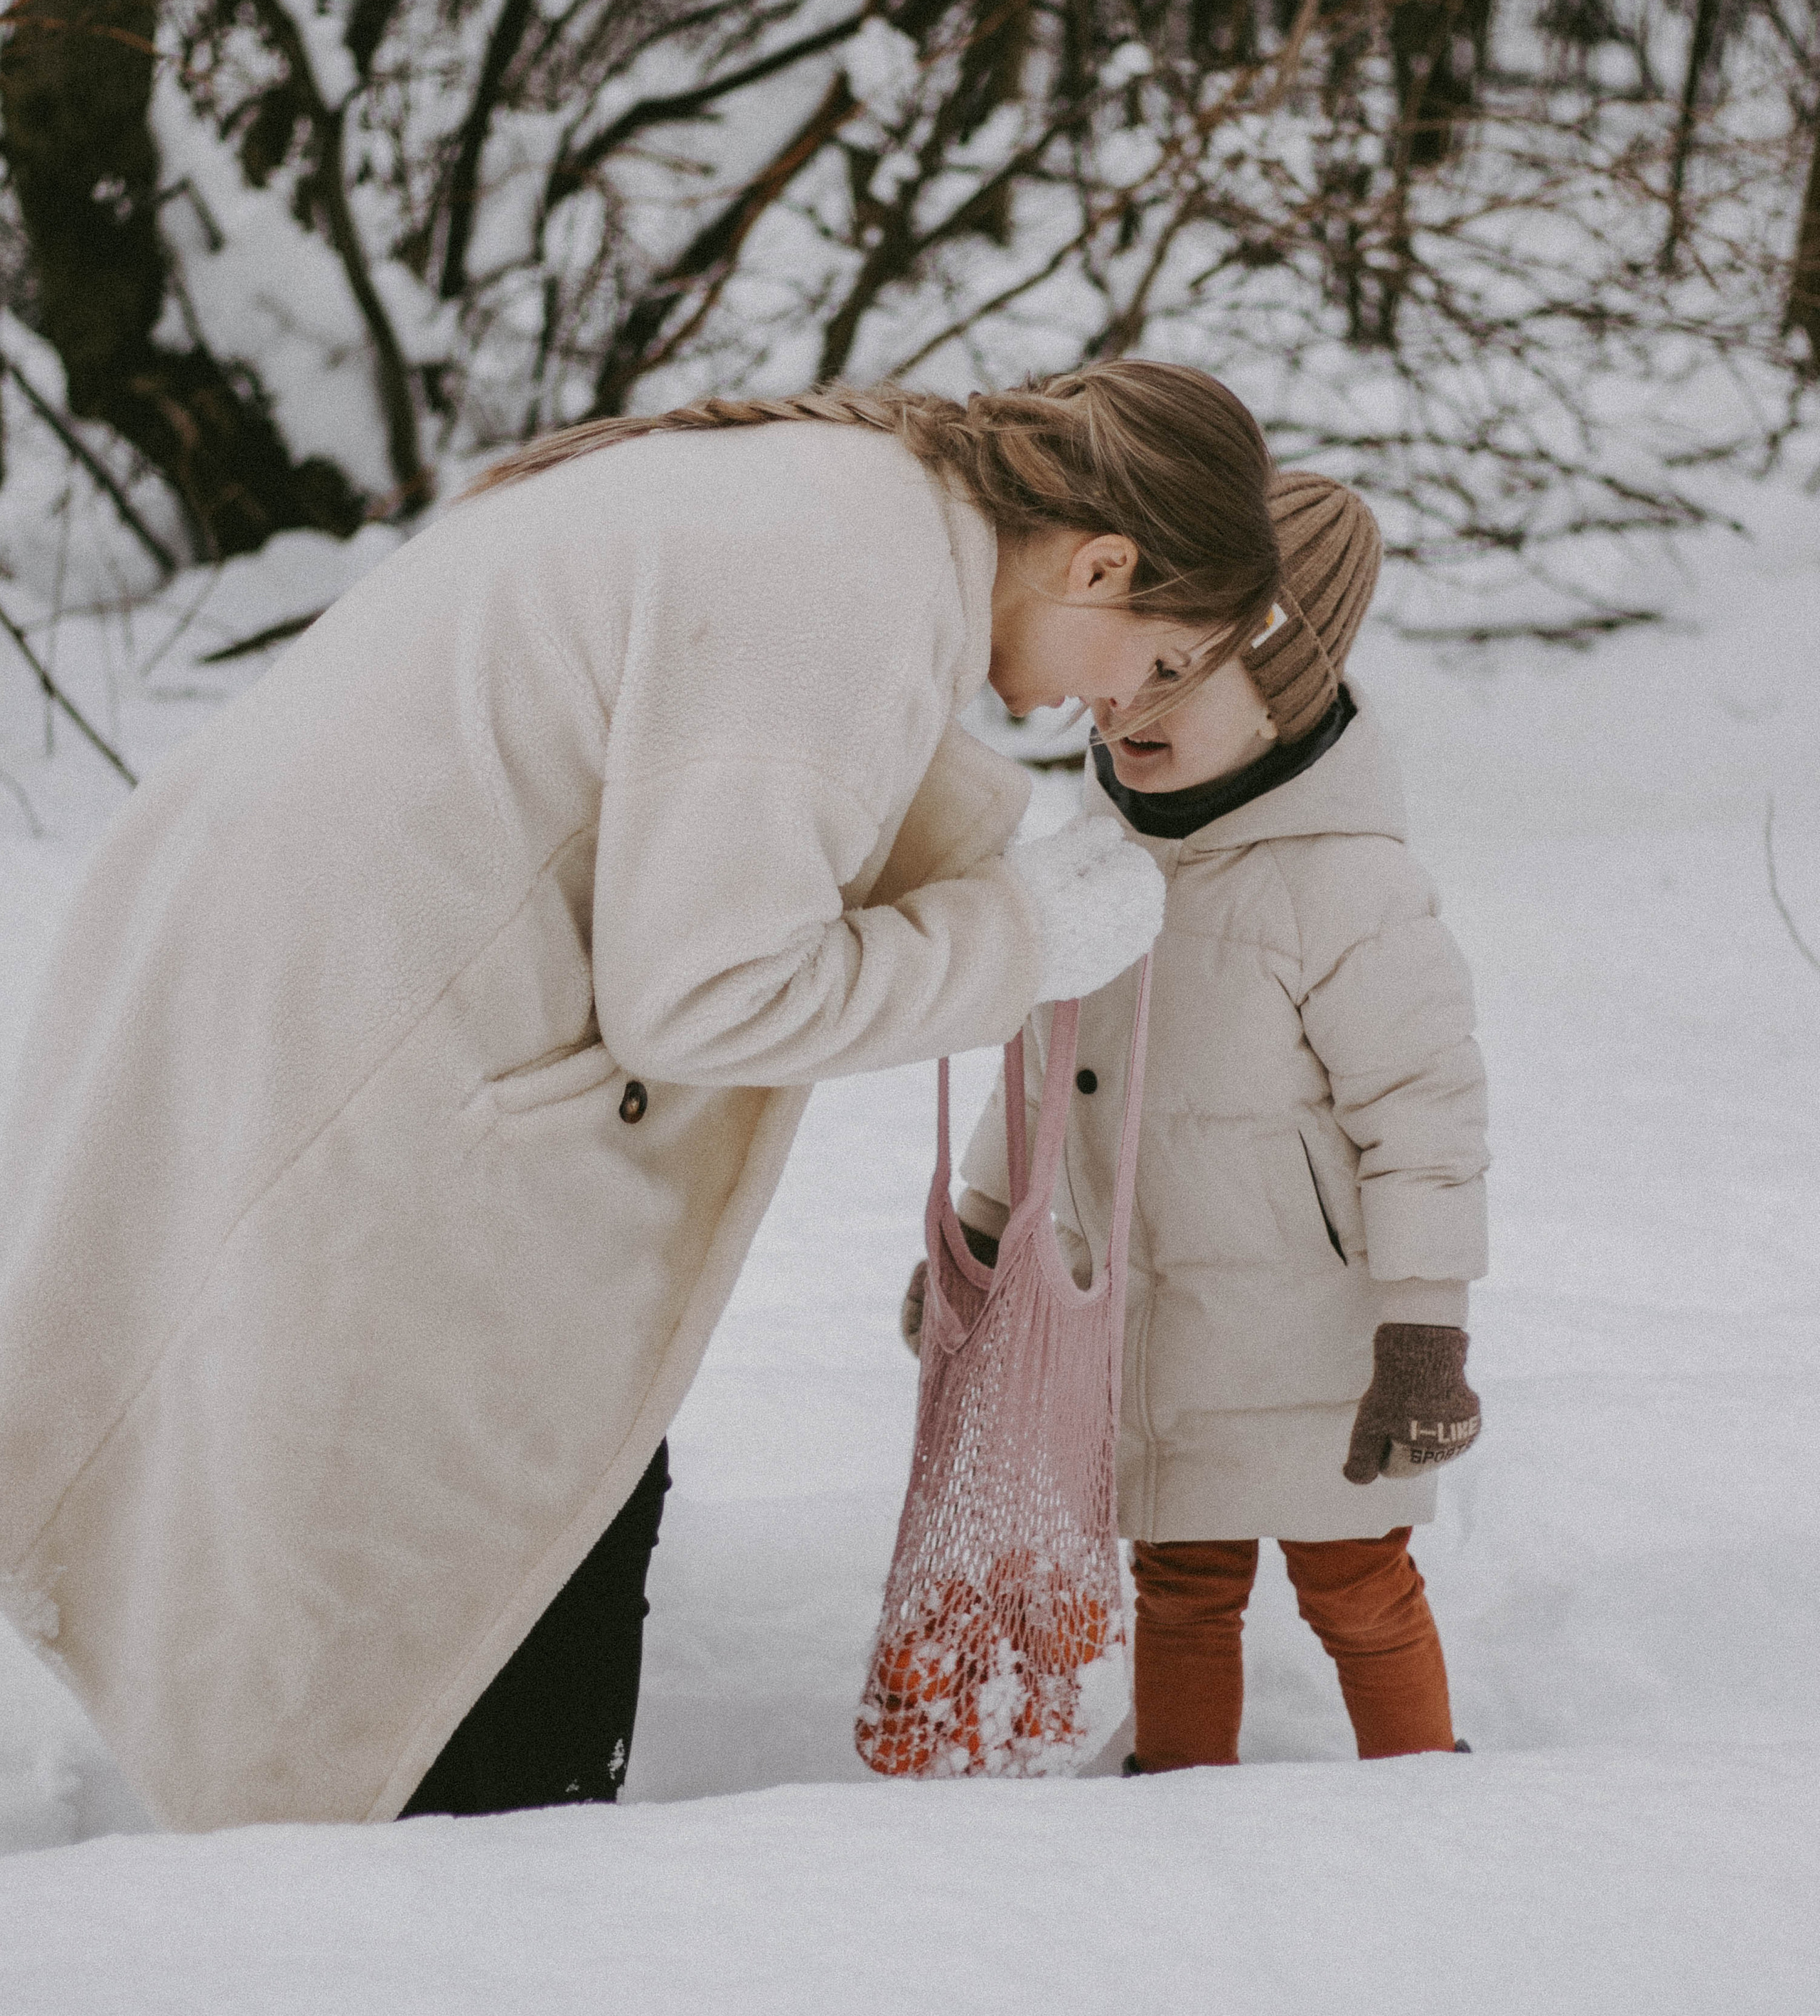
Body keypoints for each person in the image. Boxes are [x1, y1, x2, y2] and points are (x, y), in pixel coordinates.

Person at [0, 362, 1282, 1829]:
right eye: (1160, 658)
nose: (1124, 704)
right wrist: (1018, 940)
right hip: (374, 1055)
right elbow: (706, 994)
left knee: (531, 1510)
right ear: (1100, 562)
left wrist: (976, 864)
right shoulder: (841, 578)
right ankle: (474, 1945)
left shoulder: (837, 497)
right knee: (504, 1549)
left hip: (299, 994)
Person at [905, 472, 1489, 1768]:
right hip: (1153, 1323)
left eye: (1175, 677)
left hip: (1315, 1340)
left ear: (1279, 686)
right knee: (1179, 1580)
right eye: (1120, 679)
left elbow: (1426, 1122)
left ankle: (1430, 1799)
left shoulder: (1351, 886)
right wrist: (986, 1231)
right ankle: (1177, 1800)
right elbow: (1039, 1065)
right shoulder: (1106, 866)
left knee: (1354, 1582)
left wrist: (1425, 1335)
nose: (1124, 712)